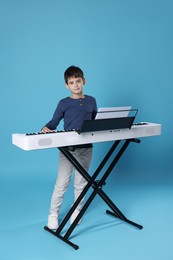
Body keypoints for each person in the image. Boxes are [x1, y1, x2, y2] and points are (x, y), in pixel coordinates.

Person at [41, 65, 97, 230]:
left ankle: (76, 209)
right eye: (71, 82)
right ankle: (53, 214)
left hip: (86, 148)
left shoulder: (91, 100)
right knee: (62, 183)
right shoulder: (63, 103)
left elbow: (95, 122)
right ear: (67, 85)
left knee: (81, 183)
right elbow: (54, 122)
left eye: (78, 81)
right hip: (67, 150)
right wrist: (46, 127)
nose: (76, 85)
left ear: (84, 81)